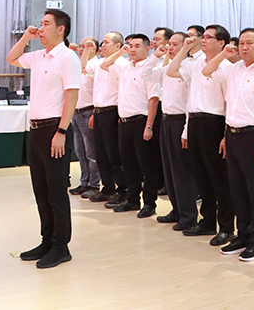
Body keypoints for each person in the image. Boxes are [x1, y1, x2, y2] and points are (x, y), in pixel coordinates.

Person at [7, 9, 80, 269]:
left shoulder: (67, 57)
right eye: (40, 23)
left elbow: (72, 96)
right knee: (41, 191)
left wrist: (62, 132)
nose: (41, 28)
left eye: (46, 24)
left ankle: (61, 247)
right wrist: (26, 37)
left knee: (56, 192)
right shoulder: (39, 56)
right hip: (36, 130)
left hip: (54, 129)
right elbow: (11, 58)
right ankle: (47, 240)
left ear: (61, 29)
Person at [202, 28, 254, 262]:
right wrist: (224, 54)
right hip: (233, 134)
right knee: (237, 189)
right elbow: (207, 70)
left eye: (249, 43)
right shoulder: (234, 68)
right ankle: (243, 235)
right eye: (241, 43)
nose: (244, 47)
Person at [167, 24, 236, 247]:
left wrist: (225, 134)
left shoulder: (226, 67)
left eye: (208, 37)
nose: (203, 40)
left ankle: (226, 227)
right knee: (202, 176)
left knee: (219, 178)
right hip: (195, 122)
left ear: (221, 43)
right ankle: (207, 221)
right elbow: (171, 70)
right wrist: (185, 48)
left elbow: (229, 102)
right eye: (202, 37)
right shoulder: (195, 64)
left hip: (215, 122)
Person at [141, 32, 200, 231]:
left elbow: (190, 102)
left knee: (182, 171)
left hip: (180, 121)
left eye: (175, 44)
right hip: (166, 121)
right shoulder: (167, 68)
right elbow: (146, 74)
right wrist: (156, 56)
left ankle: (188, 215)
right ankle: (176, 210)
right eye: (170, 44)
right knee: (169, 170)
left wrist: (186, 130)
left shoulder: (189, 67)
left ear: (185, 46)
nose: (170, 47)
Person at [101, 34, 162, 217]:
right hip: (124, 122)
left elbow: (153, 99)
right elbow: (104, 64)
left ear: (147, 48)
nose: (132, 49)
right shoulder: (125, 68)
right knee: (128, 164)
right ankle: (132, 199)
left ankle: (149, 203)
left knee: (147, 165)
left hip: (141, 121)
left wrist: (149, 126)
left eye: (137, 46)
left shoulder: (150, 70)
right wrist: (121, 51)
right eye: (130, 46)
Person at [81, 32, 128, 207]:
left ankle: (122, 190)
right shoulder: (99, 63)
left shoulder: (122, 64)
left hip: (113, 111)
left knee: (113, 154)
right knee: (100, 154)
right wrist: (87, 50)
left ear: (118, 46)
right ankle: (107, 187)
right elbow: (82, 66)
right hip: (99, 111)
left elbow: (124, 92)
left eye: (107, 42)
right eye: (102, 42)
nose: (103, 45)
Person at [69, 37, 100, 196]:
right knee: (80, 151)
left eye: (87, 46)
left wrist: (95, 112)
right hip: (76, 112)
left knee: (91, 152)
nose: (82, 49)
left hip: (89, 111)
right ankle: (84, 182)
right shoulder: (78, 64)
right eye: (81, 46)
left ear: (95, 49)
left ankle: (94, 184)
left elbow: (99, 91)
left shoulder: (97, 65)